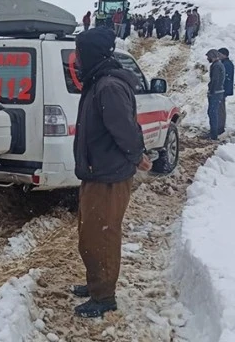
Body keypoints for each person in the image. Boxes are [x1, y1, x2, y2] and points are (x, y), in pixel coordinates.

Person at [71, 27, 150, 318]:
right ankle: (96, 284)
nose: (76, 60)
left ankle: (104, 296)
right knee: (89, 232)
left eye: (79, 53)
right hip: (97, 172)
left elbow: (126, 131)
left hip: (109, 174)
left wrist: (137, 156)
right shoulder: (98, 81)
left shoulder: (108, 86)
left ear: (90, 53)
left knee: (101, 234)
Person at [206, 49, 226, 140]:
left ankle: (213, 134)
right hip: (217, 92)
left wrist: (211, 91)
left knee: (212, 112)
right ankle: (213, 132)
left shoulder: (217, 66)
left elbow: (215, 80)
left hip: (216, 93)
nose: (207, 59)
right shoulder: (218, 65)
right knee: (213, 112)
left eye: (208, 57)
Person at [218, 48, 235, 134]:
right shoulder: (226, 63)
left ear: (224, 55)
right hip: (222, 90)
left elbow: (225, 78)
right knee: (220, 108)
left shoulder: (227, 64)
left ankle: (220, 127)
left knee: (220, 109)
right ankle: (219, 126)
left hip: (222, 90)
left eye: (219, 54)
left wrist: (222, 89)